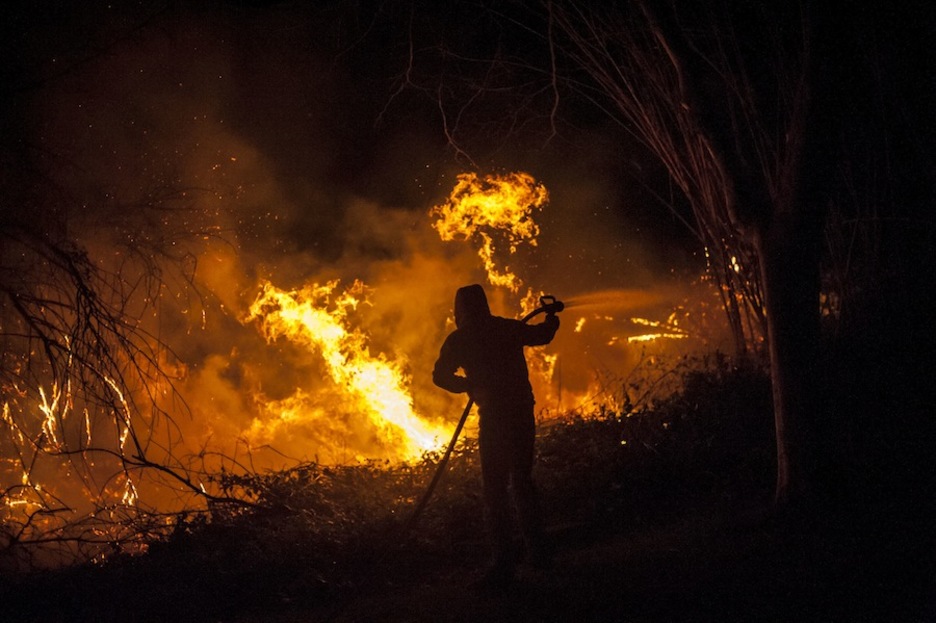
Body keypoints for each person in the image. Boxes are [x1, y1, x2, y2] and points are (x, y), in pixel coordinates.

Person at [432, 284, 560, 588]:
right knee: (522, 481)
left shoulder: (459, 339)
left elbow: (440, 376)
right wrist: (552, 318)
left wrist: (467, 385)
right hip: (520, 413)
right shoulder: (506, 328)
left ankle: (504, 562)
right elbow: (542, 335)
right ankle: (539, 552)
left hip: (494, 418)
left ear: (459, 310)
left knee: (495, 489)